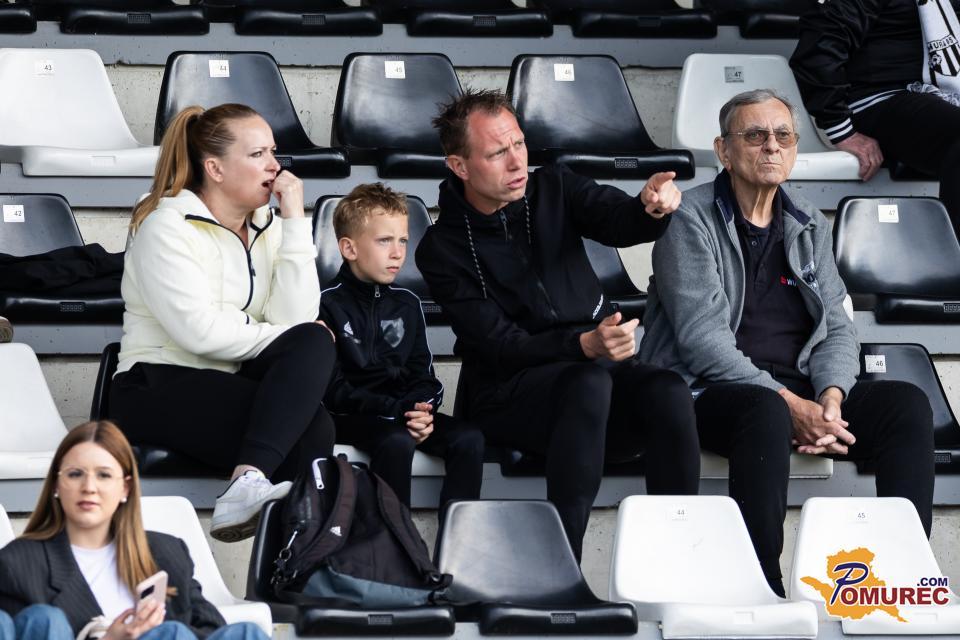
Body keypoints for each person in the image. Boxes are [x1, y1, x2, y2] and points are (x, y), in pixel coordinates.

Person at [639, 89, 936, 596]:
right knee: (766, 411)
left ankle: (902, 580)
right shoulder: (688, 219)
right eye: (755, 135)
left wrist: (829, 401)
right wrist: (793, 406)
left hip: (794, 392)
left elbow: (837, 327)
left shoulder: (808, 222)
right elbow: (702, 340)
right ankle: (761, 585)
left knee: (904, 405)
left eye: (783, 136)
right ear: (723, 150)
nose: (771, 146)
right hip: (706, 391)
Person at [416, 89, 701, 560]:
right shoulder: (441, 248)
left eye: (519, 144)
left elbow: (617, 220)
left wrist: (648, 207)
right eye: (497, 153)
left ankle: (680, 560)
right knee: (587, 382)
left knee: (667, 391)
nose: (517, 163)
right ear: (459, 166)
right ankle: (562, 567)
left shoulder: (555, 186)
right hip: (507, 397)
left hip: (591, 390)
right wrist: (584, 344)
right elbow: (500, 345)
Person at [108, 104, 336, 542]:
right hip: (155, 384)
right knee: (310, 417)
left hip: (225, 381)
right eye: (257, 154)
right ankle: (262, 508)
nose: (274, 166)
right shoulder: (165, 226)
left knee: (315, 398)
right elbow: (199, 333)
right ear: (214, 168)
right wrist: (289, 335)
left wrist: (294, 222)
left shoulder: (268, 226)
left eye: (273, 152)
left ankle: (258, 499)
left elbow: (296, 320)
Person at [0, 420, 268, 640]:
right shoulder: (19, 563)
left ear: (125, 488)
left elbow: (210, 629)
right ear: (57, 485)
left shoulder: (165, 552)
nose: (89, 487)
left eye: (104, 475)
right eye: (75, 474)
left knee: (245, 633)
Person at [319, 183, 484, 520]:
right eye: (384, 241)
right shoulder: (326, 303)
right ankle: (395, 542)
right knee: (396, 441)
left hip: (402, 412)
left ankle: (458, 542)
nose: (397, 253)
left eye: (403, 241)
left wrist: (420, 409)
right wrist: (395, 411)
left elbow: (423, 375)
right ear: (349, 248)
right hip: (351, 417)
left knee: (469, 438)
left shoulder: (407, 304)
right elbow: (333, 392)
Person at [790, 0, 960, 236]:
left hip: (943, 97)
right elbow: (819, 47)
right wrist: (841, 129)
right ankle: (951, 253)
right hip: (878, 97)